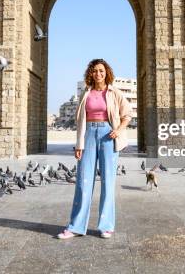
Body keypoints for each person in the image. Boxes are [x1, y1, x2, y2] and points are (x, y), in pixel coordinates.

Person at [56, 59, 133, 240]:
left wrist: (118, 130)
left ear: (106, 73)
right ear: (90, 73)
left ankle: (106, 226)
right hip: (89, 135)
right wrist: (79, 144)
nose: (98, 74)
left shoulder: (114, 92)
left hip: (108, 136)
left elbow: (127, 114)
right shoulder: (86, 93)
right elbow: (79, 120)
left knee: (108, 182)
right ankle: (75, 226)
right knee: (83, 181)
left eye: (101, 71)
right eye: (95, 71)